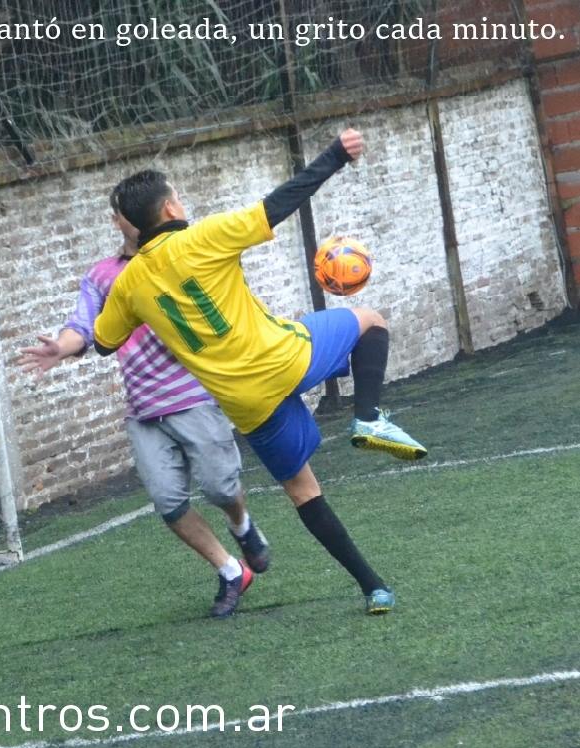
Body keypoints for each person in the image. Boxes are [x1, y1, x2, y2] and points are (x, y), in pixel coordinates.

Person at [93, 128, 426, 614]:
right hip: (284, 358)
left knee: (303, 492)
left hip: (246, 404)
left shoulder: (128, 285)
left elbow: (104, 343)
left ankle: (374, 588)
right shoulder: (202, 237)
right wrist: (336, 155)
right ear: (168, 209)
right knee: (370, 321)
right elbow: (281, 202)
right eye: (177, 197)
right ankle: (368, 417)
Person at [18, 198, 269, 618]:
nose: (128, 219)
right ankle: (231, 571)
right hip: (143, 410)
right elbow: (82, 327)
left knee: (221, 489)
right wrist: (60, 348)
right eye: (122, 213)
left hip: (193, 395)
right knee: (168, 502)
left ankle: (242, 526)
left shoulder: (180, 254)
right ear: (118, 221)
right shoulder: (102, 275)